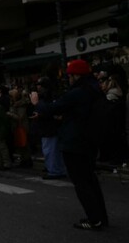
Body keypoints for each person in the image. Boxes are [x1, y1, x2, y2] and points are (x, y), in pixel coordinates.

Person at [30, 59, 108, 230]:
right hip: (89, 141)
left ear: (76, 75)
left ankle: (94, 219)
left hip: (75, 142)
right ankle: (101, 216)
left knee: (81, 183)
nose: (68, 79)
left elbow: (54, 108)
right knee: (90, 180)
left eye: (70, 75)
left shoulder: (78, 92)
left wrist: (37, 103)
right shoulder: (94, 89)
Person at [32, 77, 66, 179]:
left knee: (50, 150)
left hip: (49, 128)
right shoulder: (51, 96)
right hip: (50, 127)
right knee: (54, 151)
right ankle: (57, 170)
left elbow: (49, 110)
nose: (37, 87)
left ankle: (54, 171)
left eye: (39, 85)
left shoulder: (47, 97)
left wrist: (37, 104)